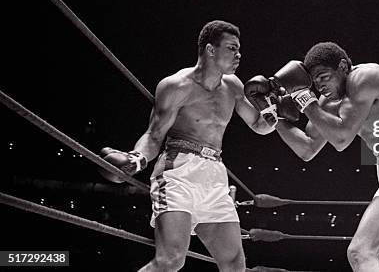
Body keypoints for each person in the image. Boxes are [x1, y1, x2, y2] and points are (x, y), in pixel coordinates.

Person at [246, 42, 379, 271]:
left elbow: (341, 138)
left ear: (343, 66)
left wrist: (304, 99)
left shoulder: (366, 76)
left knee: (362, 253)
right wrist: (273, 115)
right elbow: (307, 148)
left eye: (324, 76)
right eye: (315, 82)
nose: (321, 86)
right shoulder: (327, 101)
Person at [99, 20, 275, 272]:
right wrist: (137, 158)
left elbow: (260, 126)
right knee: (171, 260)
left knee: (235, 265)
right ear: (210, 50)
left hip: (215, 175)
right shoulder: (176, 86)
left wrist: (273, 111)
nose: (239, 55)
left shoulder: (234, 86)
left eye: (238, 49)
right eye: (232, 48)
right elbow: (155, 134)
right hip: (178, 171)